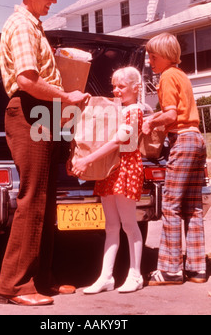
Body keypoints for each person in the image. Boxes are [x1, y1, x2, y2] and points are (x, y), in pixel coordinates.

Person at [0, 0, 90, 306]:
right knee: (32, 199)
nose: (53, 1)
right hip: (28, 112)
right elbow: (26, 81)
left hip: (43, 115)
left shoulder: (34, 26)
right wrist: (67, 97)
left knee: (46, 201)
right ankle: (14, 286)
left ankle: (41, 279)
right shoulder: (22, 25)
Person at [72, 67, 144, 294]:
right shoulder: (116, 110)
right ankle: (106, 276)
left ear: (136, 87)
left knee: (129, 225)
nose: (116, 90)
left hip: (125, 167)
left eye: (121, 86)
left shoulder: (135, 111)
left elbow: (118, 141)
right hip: (109, 169)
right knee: (111, 226)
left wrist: (87, 161)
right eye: (114, 86)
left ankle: (135, 274)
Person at [142, 32, 207, 285]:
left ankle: (170, 270)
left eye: (153, 56)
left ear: (166, 57)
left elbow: (169, 115)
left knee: (171, 205)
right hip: (197, 139)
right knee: (193, 206)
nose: (150, 61)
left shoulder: (167, 76)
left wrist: (150, 122)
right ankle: (196, 268)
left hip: (181, 140)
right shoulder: (182, 75)